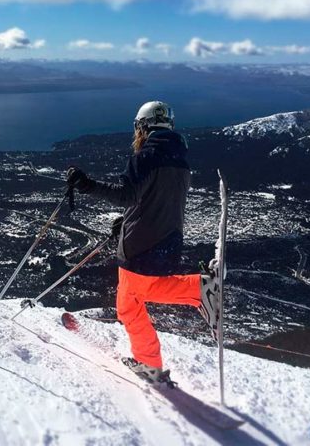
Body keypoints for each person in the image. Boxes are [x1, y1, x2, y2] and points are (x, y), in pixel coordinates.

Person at [66, 100, 216, 384]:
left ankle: (198, 290)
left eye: (137, 128)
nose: (136, 133)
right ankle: (150, 360)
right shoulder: (179, 160)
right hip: (166, 239)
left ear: (144, 127)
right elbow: (157, 200)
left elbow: (126, 195)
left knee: (132, 300)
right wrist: (129, 221)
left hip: (142, 244)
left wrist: (86, 185)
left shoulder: (146, 156)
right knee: (131, 299)